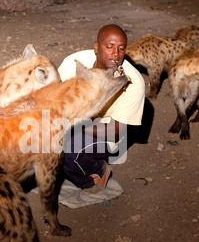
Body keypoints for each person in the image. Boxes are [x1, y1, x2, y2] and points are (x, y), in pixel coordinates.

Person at [57, 24, 145, 191]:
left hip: (103, 135)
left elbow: (114, 131)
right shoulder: (73, 62)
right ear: (96, 47)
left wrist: (70, 124)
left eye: (121, 48)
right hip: (69, 120)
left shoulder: (133, 82)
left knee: (66, 150)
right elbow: (53, 95)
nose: (116, 54)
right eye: (109, 46)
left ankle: (96, 173)